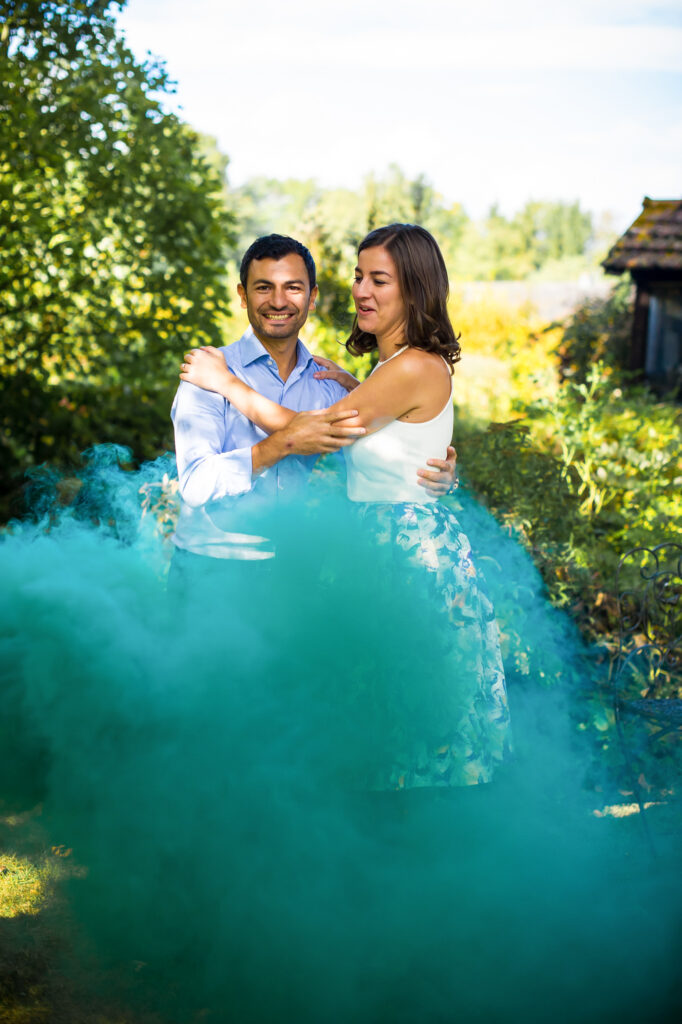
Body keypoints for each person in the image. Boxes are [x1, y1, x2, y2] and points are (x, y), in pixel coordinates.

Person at [181, 223, 512, 791]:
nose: (361, 289)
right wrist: (419, 448)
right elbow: (391, 439)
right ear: (243, 295)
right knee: (372, 714)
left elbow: (313, 433)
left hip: (404, 558)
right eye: (359, 276)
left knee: (411, 714)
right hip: (336, 553)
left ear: (414, 288)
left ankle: (423, 835)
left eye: (379, 279)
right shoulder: (381, 372)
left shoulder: (409, 367)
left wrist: (229, 385)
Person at [170, 233, 457, 573]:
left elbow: (333, 436)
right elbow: (196, 485)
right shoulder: (207, 374)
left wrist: (437, 476)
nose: (278, 301)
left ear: (312, 297)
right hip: (210, 566)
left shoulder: (328, 385)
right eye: (263, 287)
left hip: (299, 568)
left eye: (292, 287)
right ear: (243, 296)